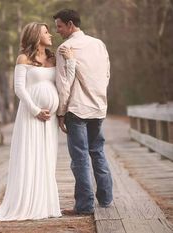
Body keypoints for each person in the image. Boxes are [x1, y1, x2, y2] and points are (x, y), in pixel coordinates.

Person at [0, 22, 76, 221]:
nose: (50, 34)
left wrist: (70, 62)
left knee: (47, 158)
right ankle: (26, 202)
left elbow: (65, 81)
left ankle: (44, 203)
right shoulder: (23, 58)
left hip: (49, 119)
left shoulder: (53, 58)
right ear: (35, 36)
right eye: (46, 32)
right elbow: (19, 89)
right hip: (31, 115)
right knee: (30, 155)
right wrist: (35, 110)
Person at [53, 9, 113, 215]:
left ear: (70, 25)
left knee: (79, 158)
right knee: (97, 152)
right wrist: (100, 97)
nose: (57, 31)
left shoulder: (65, 48)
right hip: (98, 107)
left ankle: (85, 205)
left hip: (77, 109)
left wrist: (60, 112)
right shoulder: (99, 44)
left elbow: (64, 84)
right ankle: (106, 199)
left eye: (59, 26)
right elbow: (106, 74)